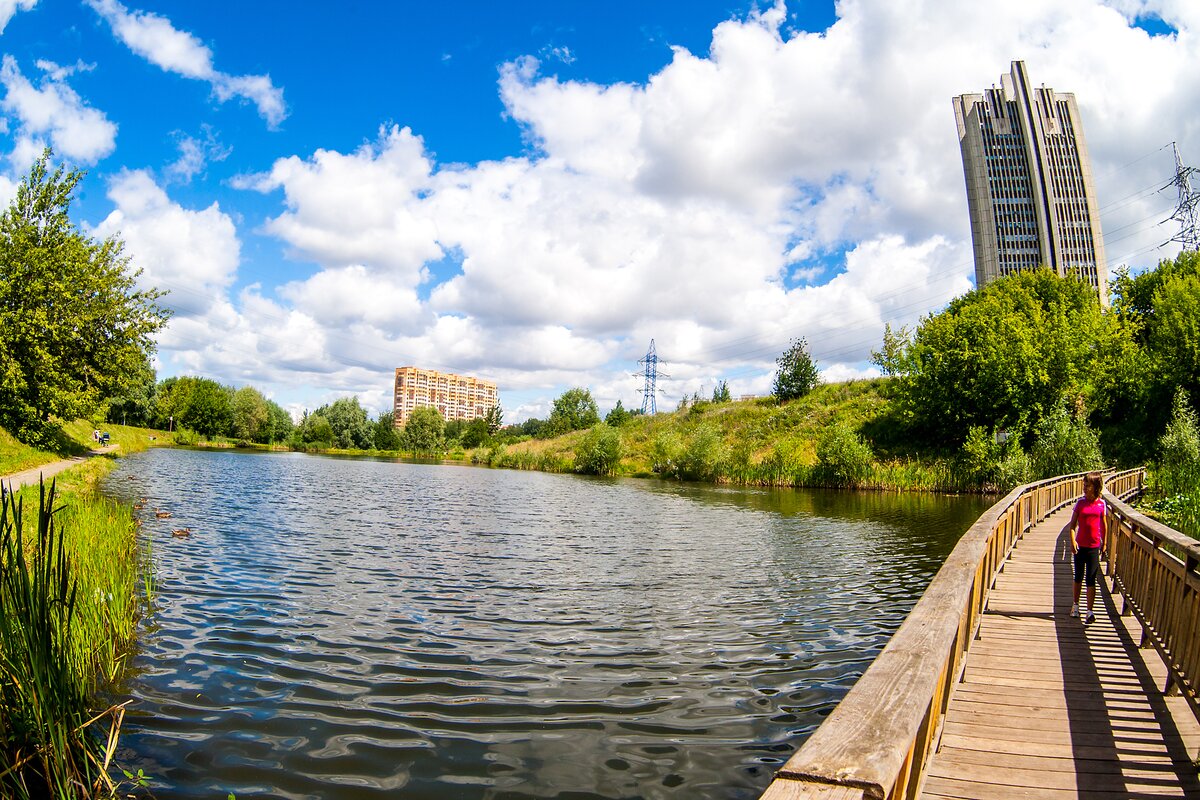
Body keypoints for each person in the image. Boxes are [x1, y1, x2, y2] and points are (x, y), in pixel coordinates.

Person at [1061, 471, 1108, 624]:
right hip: (1080, 545)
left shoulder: (1101, 504)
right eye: (1084, 485)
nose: (1085, 488)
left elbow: (1104, 525)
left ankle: (1089, 611)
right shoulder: (1080, 503)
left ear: (1096, 487)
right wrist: (1073, 541)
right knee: (1078, 576)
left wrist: (1105, 543)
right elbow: (1072, 525)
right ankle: (1075, 605)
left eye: (1088, 486)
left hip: (1094, 546)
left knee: (1091, 578)